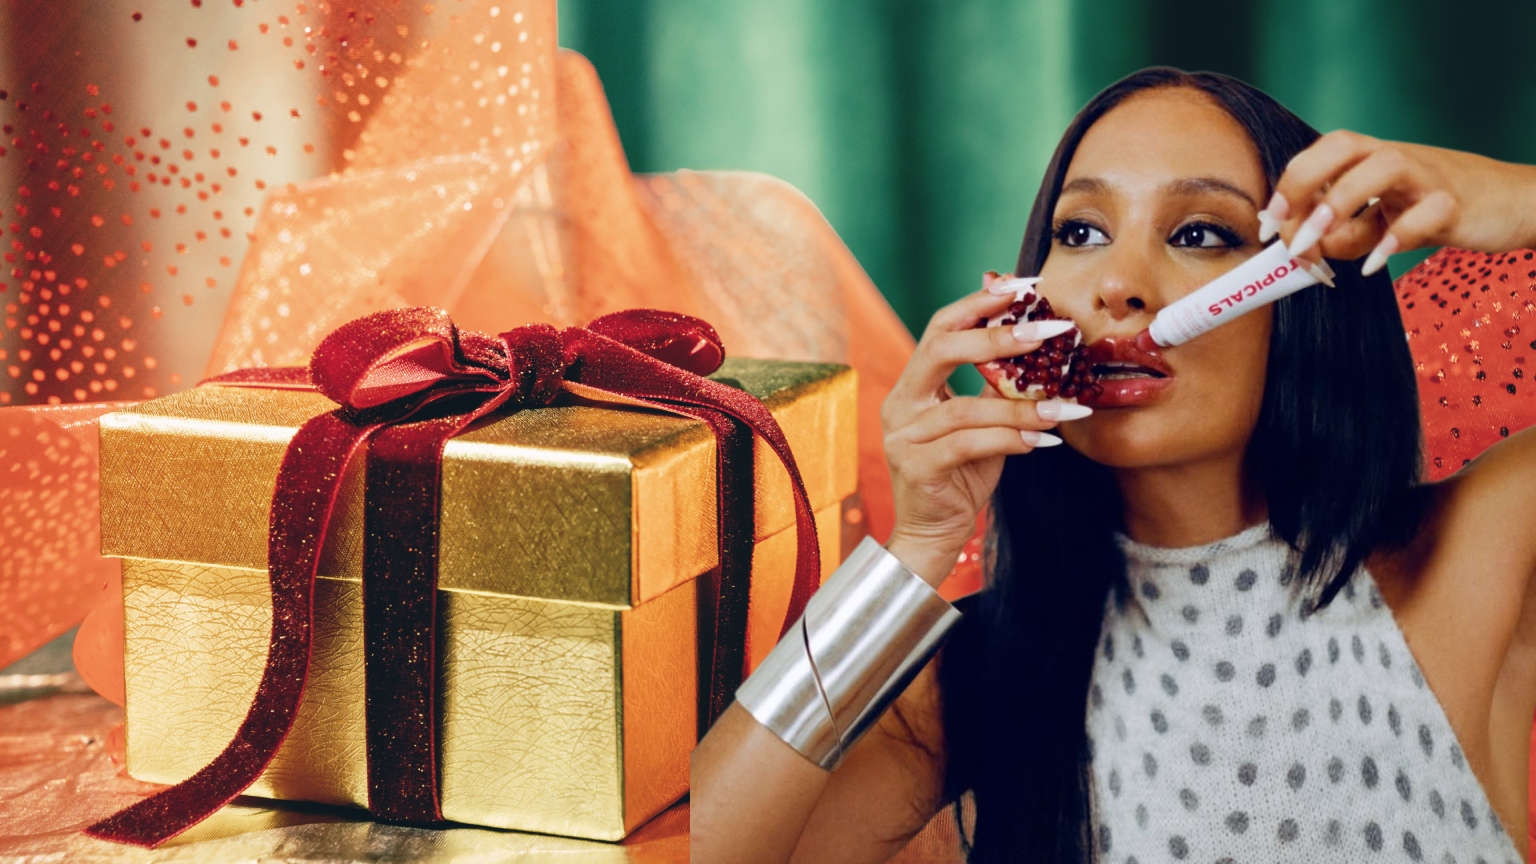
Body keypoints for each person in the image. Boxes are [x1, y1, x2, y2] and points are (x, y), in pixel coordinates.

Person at [692, 67, 1536, 863]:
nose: (1119, 284)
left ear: (1309, 297)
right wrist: (914, 551)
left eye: (1200, 233)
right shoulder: (986, 670)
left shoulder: (1472, 558)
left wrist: (1509, 196)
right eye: (1082, 232)